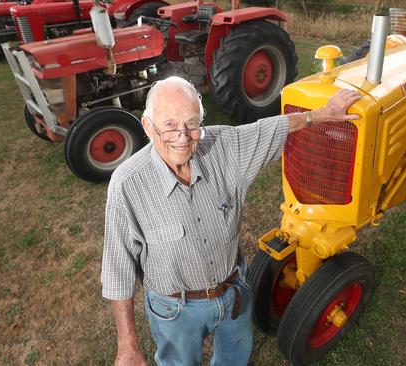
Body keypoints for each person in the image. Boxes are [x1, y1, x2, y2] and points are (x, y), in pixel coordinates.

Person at [101, 76, 361, 366]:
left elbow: (270, 129)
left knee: (235, 359)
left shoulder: (224, 146)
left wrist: (319, 116)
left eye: (191, 124)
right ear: (148, 127)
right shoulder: (127, 184)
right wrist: (128, 346)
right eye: (170, 125)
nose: (183, 137)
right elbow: (118, 271)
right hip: (175, 310)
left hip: (234, 293)